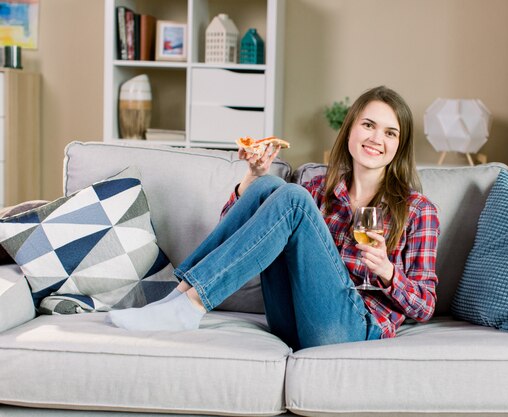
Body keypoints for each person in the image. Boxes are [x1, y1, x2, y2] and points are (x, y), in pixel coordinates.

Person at [107, 85, 440, 350]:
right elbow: (237, 231)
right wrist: (251, 178)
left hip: (353, 328)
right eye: (368, 125)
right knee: (269, 185)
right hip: (290, 319)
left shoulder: (417, 209)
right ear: (350, 129)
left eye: (390, 132)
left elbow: (425, 306)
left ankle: (186, 305)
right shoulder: (316, 186)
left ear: (399, 145)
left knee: (292, 198)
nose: (376, 138)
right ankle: (177, 298)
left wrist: (387, 272)